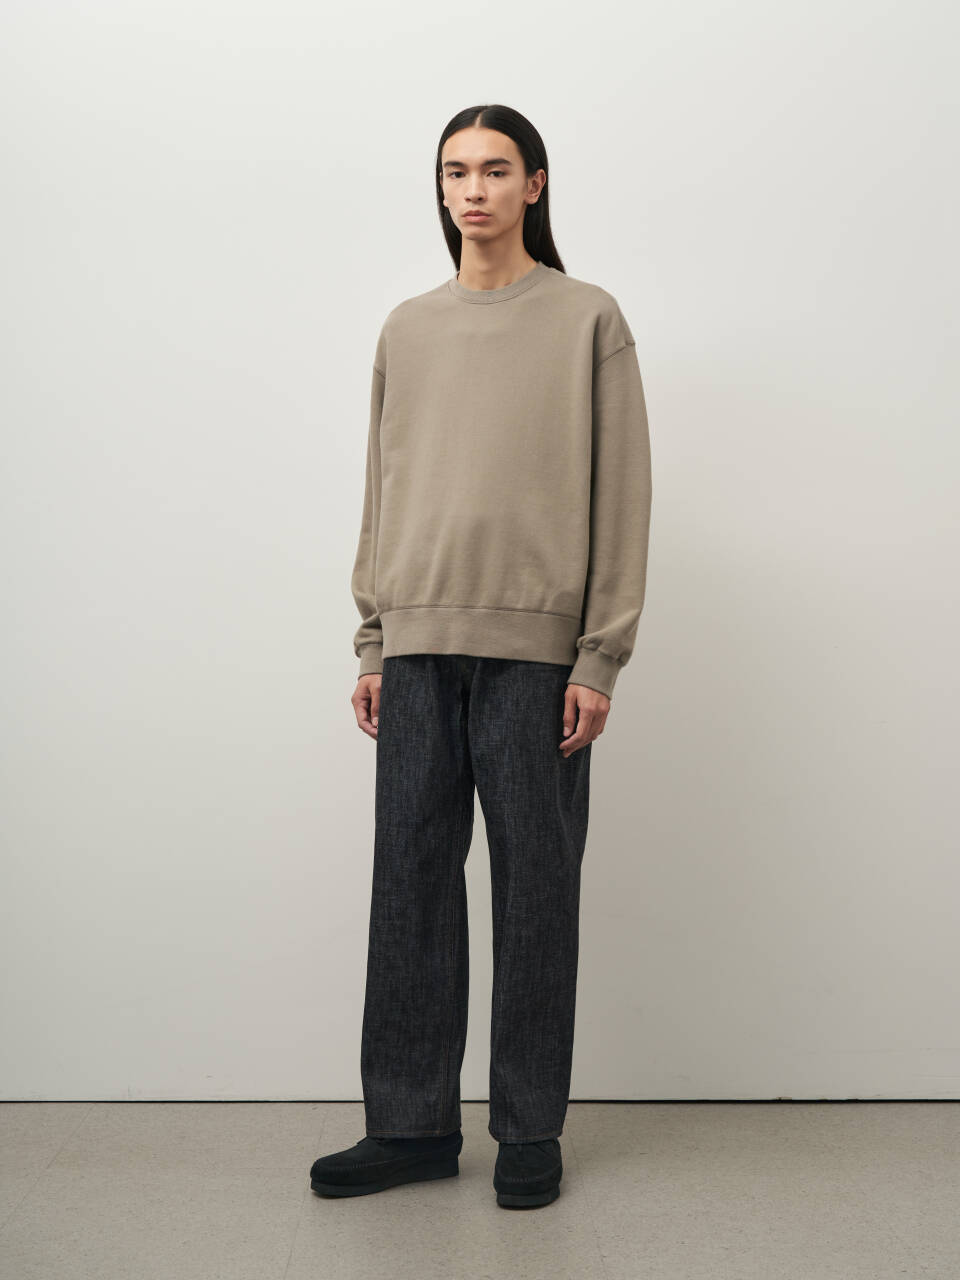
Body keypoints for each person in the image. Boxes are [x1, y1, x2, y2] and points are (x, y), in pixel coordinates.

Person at [310, 103, 652, 1209]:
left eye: (496, 170)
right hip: (416, 647)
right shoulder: (407, 328)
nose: (474, 190)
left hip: (536, 657)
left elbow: (623, 494)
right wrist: (375, 633)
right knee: (409, 882)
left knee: (535, 889)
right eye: (456, 171)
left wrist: (598, 657)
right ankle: (410, 1124)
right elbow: (384, 486)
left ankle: (527, 1127)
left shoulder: (587, 318)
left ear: (535, 185)